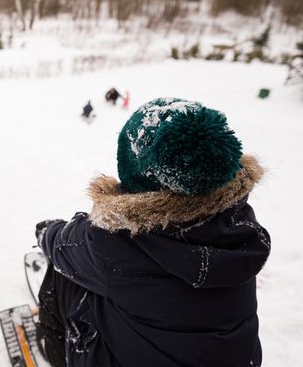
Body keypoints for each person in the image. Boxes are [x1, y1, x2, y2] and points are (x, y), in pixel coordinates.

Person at [34, 97, 270, 367]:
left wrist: (45, 231)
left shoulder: (116, 242)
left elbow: (62, 246)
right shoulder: (241, 227)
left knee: (62, 271)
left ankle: (53, 349)